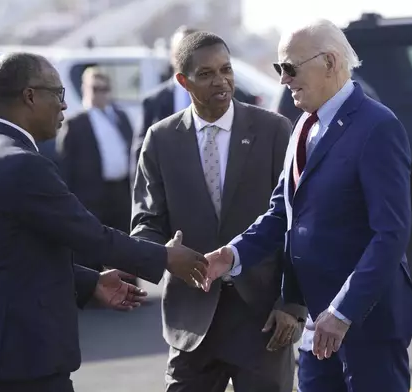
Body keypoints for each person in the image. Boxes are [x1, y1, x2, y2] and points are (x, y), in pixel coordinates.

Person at [0, 52, 208, 392]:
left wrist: (89, 282)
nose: (64, 106)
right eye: (58, 94)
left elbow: (13, 256)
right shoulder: (21, 163)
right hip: (21, 353)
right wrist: (167, 257)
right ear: (30, 96)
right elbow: (92, 236)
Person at [204, 20, 412, 392]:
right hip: (314, 323)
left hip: (365, 323)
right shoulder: (302, 126)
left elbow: (390, 234)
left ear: (329, 62)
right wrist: (231, 255)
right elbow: (282, 213)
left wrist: (343, 311)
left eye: (290, 68)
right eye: (280, 69)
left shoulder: (378, 126)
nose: (283, 80)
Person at [131, 31, 307, 392]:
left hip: (263, 319)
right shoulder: (161, 139)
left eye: (226, 69)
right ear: (183, 80)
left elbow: (299, 222)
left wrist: (293, 304)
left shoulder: (274, 130)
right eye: (207, 73)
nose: (222, 80)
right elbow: (146, 222)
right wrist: (158, 254)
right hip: (191, 321)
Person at [132, 25, 256, 163]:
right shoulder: (153, 102)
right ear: (172, 55)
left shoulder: (237, 95)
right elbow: (142, 153)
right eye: (182, 51)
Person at [56, 67, 136, 234]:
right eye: (95, 88)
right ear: (85, 89)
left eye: (104, 89)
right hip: (91, 196)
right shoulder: (76, 123)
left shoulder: (120, 117)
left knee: (123, 239)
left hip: (121, 193)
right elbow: (65, 166)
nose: (100, 94)